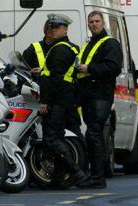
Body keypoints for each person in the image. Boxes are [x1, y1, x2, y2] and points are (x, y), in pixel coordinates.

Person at [39, 13, 87, 189]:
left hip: (57, 101)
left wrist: (45, 102)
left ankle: (77, 173)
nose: (51, 30)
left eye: (56, 27)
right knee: (62, 138)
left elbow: (56, 79)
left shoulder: (59, 49)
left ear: (65, 29)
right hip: (67, 100)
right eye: (50, 27)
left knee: (52, 139)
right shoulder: (70, 47)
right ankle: (59, 179)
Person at [75, 11, 123, 188]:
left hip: (100, 95)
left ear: (103, 24)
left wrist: (89, 68)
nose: (94, 24)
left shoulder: (110, 43)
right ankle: (93, 175)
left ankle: (97, 177)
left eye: (97, 21)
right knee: (91, 134)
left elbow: (114, 67)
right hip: (88, 95)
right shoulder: (89, 44)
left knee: (95, 133)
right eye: (91, 22)